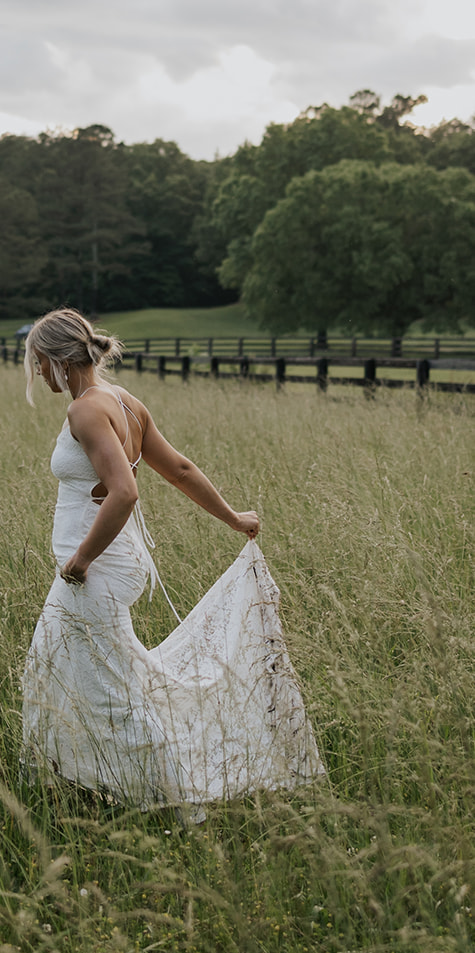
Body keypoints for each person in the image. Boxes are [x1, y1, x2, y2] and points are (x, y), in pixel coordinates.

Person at [21, 308, 323, 813]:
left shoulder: (87, 411)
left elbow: (124, 492)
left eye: (36, 362)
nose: (35, 372)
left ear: (57, 359)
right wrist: (232, 517)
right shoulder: (126, 403)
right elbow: (179, 470)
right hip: (118, 564)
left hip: (98, 570)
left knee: (105, 688)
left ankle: (177, 799)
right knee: (64, 667)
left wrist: (79, 559)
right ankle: (84, 782)